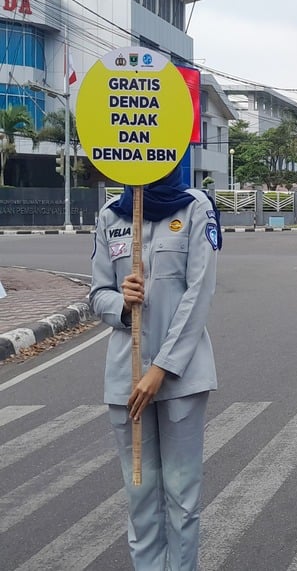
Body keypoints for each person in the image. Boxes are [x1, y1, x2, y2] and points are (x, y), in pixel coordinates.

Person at [90, 164, 221, 570]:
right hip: (126, 380)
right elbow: (97, 294)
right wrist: (120, 301)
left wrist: (160, 368)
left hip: (180, 379)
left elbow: (198, 295)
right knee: (141, 500)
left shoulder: (196, 208)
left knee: (182, 500)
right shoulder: (111, 215)